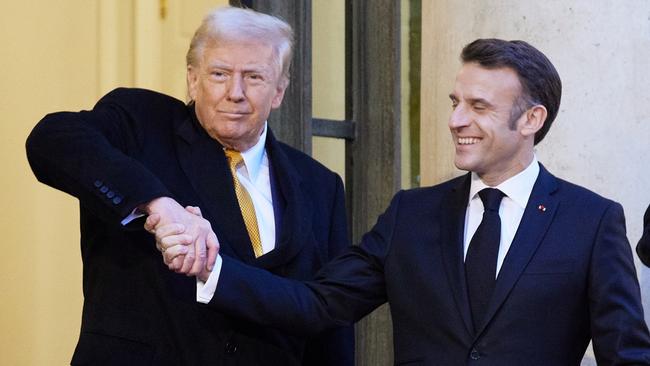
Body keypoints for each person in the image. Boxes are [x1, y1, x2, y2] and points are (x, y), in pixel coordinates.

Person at [154, 39, 650, 365]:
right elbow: (317, 302)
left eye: (478, 107)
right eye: (455, 103)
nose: (456, 120)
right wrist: (213, 269)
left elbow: (625, 354)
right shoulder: (411, 215)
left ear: (531, 120)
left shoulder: (592, 220)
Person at [25, 6, 353, 366]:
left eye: (254, 77)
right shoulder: (141, 123)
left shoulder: (321, 186)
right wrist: (159, 205)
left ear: (279, 91)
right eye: (219, 73)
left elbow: (330, 327)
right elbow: (51, 138)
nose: (235, 92)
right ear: (193, 80)